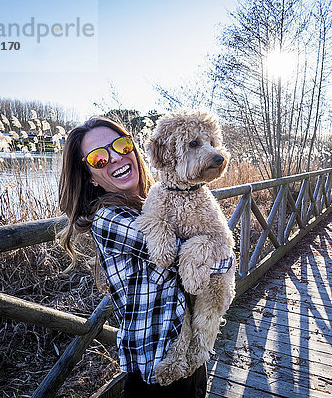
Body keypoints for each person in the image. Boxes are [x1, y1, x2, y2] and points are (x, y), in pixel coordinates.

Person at [57, 117, 233, 397]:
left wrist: (214, 253)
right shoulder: (108, 219)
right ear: (90, 175)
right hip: (155, 359)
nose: (115, 157)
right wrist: (210, 253)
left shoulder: (153, 200)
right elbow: (183, 257)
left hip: (190, 354)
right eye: (100, 158)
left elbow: (222, 260)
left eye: (121, 145)